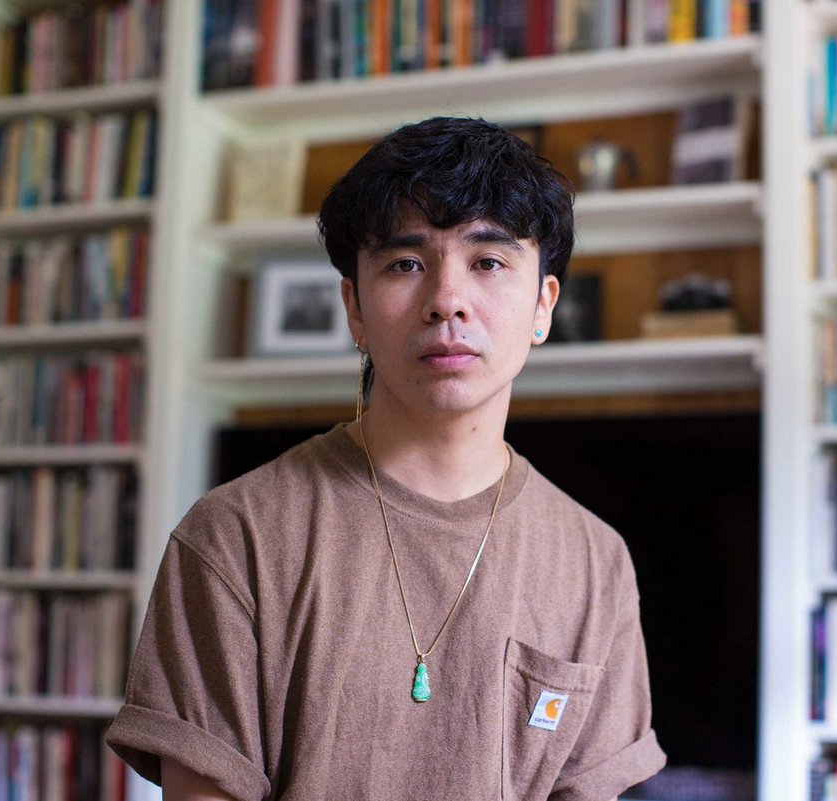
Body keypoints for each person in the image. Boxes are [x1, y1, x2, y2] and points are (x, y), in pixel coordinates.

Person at [104, 115, 667, 801]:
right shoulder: (235, 536)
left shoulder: (593, 560)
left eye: (487, 262)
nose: (446, 301)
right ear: (355, 309)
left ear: (544, 305)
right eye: (405, 264)